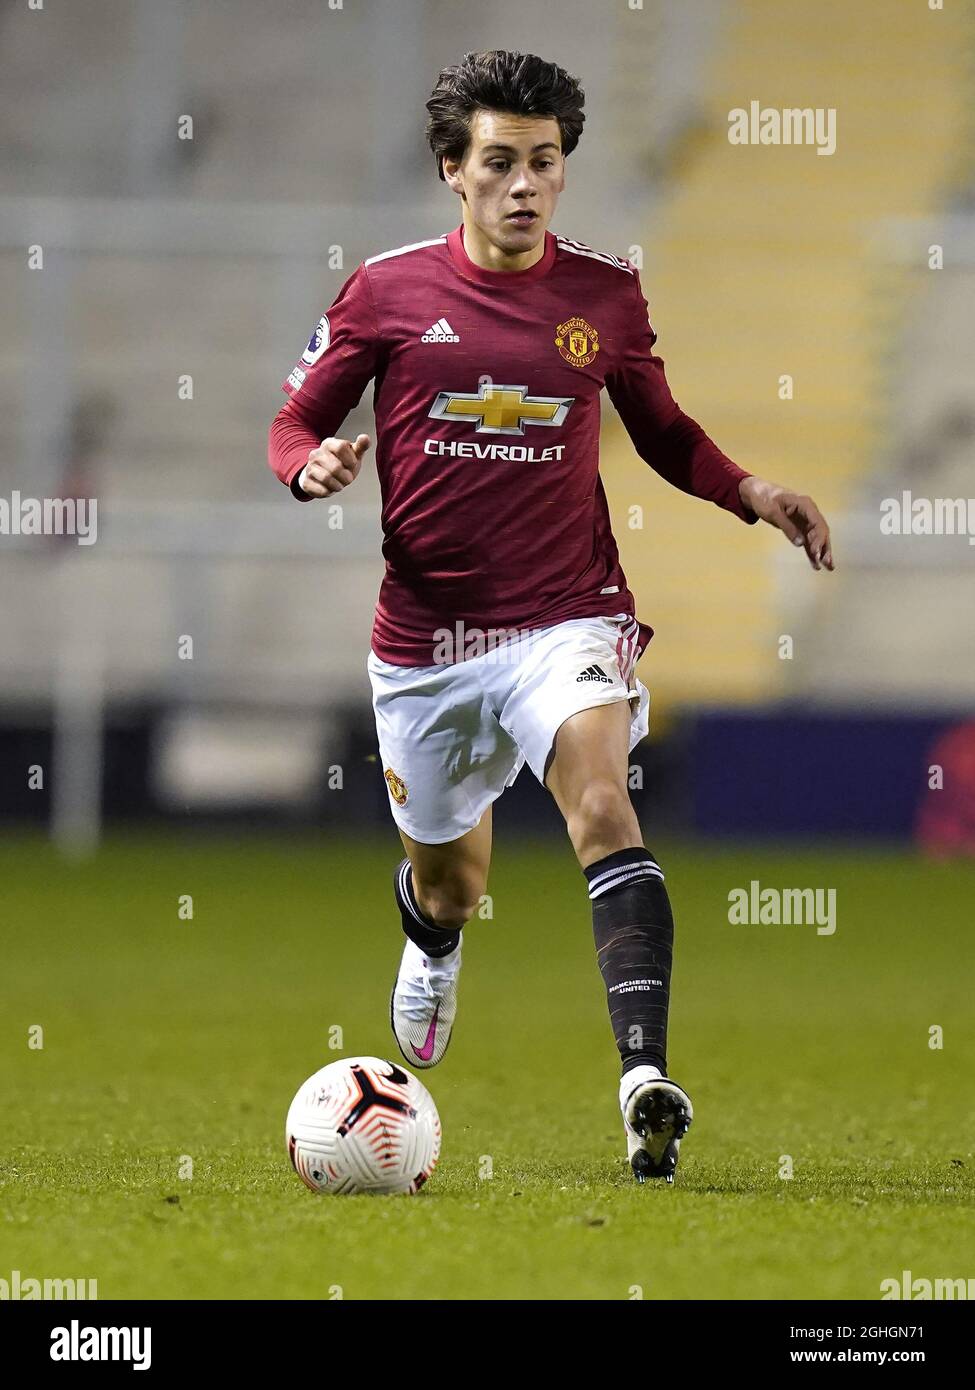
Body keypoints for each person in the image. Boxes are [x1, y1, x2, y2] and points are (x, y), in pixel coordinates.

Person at [268, 49, 833, 1183]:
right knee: (453, 881)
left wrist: (752, 492)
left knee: (603, 804)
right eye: (500, 163)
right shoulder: (383, 293)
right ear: (452, 170)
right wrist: (311, 466)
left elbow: (664, 429)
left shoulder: (604, 295)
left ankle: (642, 1079)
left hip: (563, 618)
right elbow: (291, 424)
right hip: (428, 645)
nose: (526, 184)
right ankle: (430, 942)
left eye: (546, 162)